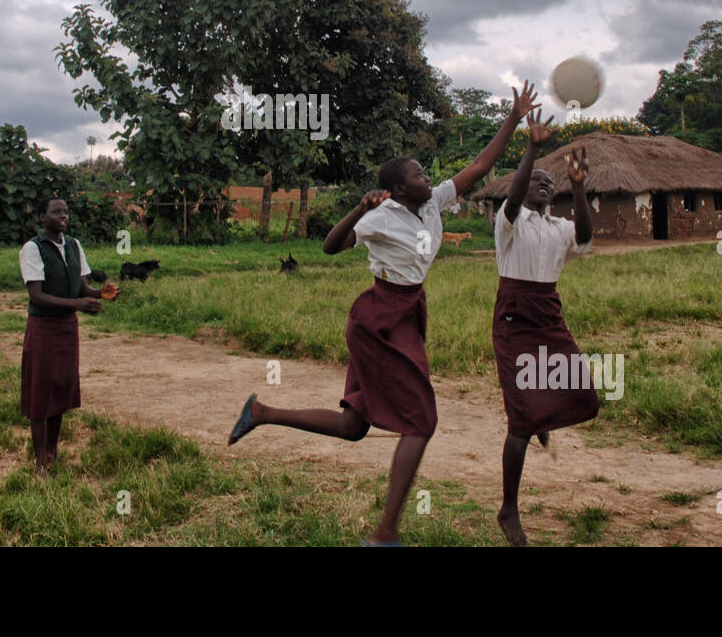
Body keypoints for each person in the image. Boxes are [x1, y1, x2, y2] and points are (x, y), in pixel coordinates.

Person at [227, 82, 542, 545]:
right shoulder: (380, 215)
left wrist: (514, 121)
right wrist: (357, 208)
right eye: (417, 172)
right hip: (379, 319)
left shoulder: (432, 202)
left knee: (355, 426)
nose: (424, 175)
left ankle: (262, 411)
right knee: (421, 421)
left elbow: (479, 167)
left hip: (407, 311)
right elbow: (330, 247)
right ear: (397, 188)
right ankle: (384, 533)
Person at [492, 110, 597, 546]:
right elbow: (514, 198)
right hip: (515, 316)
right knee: (520, 421)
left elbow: (587, 239)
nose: (541, 183)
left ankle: (541, 417)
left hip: (548, 312)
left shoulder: (561, 228)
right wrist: (532, 147)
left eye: (547, 181)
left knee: (582, 393)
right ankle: (508, 510)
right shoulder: (508, 224)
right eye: (535, 179)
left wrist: (578, 186)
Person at [19, 196, 115, 475]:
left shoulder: (73, 245)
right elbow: (36, 295)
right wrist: (77, 305)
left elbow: (81, 288)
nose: (63, 216)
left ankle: (52, 453)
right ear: (42, 217)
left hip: (66, 328)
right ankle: (40, 464)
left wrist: (99, 294)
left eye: (65, 212)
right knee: (40, 392)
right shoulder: (33, 248)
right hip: (43, 328)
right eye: (56, 211)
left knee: (60, 388)